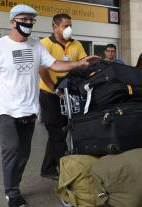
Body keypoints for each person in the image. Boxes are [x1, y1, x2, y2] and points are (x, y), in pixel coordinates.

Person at [0, 5, 99, 207]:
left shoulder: (36, 45)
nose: (28, 23)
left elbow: (55, 65)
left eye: (32, 20)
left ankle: (14, 187)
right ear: (13, 21)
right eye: (24, 19)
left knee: (23, 153)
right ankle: (13, 196)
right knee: (11, 149)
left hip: (29, 108)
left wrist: (79, 63)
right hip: (6, 109)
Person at [38, 13, 87, 180]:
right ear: (55, 27)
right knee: (56, 132)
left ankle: (47, 168)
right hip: (49, 94)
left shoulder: (76, 44)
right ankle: (67, 172)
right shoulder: (45, 43)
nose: (69, 29)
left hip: (69, 95)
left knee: (60, 132)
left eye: (70, 25)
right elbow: (42, 69)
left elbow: (82, 65)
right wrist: (54, 89)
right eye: (65, 26)